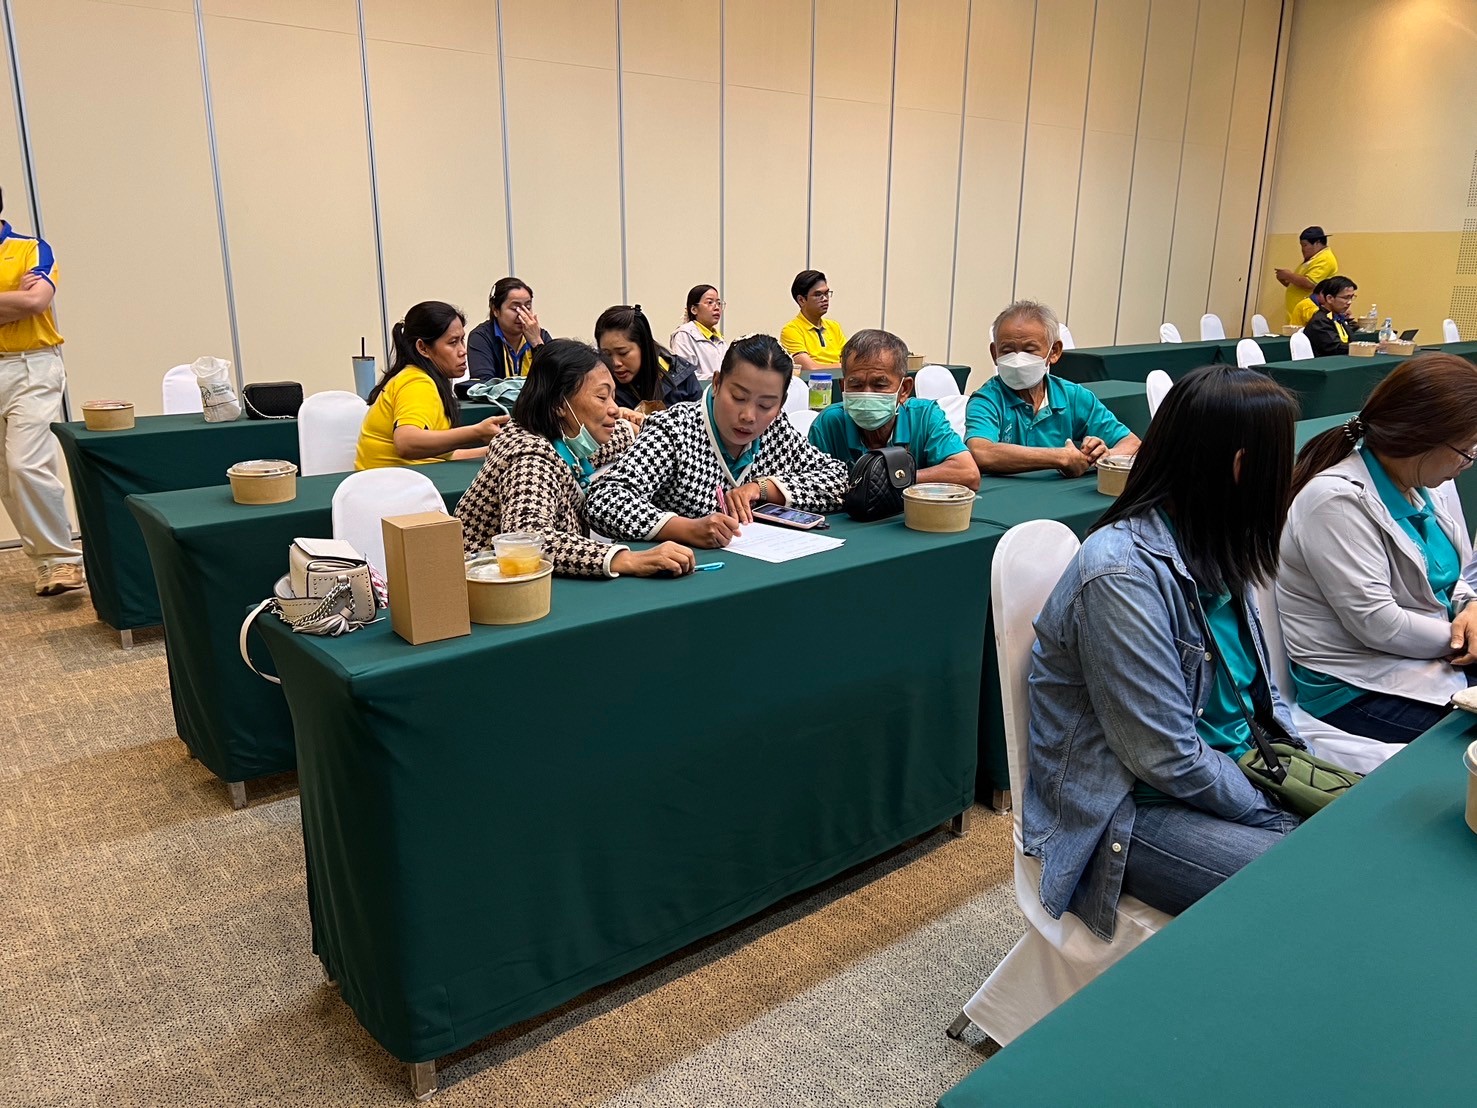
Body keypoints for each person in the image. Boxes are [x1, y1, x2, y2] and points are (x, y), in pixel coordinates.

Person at [1025, 364, 1304, 935]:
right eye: (1282, 466)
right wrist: (1272, 809)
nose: (1288, 482)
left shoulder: (1219, 542)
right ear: (1240, 468)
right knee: (1317, 877)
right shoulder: (1121, 574)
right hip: (1132, 808)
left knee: (1353, 837)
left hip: (1229, 771)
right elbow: (1164, 757)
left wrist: (1296, 771)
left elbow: (1261, 694)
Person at [1277, 354, 1477, 744]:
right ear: (1421, 437)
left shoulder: (1416, 487)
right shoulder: (1334, 501)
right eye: (1466, 450)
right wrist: (1463, 637)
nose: (1468, 463)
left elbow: (1451, 581)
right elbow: (1379, 624)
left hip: (1422, 658)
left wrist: (1471, 608)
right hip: (1355, 688)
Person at [456, 339, 696, 579]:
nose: (615, 409)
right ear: (560, 404)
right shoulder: (529, 459)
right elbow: (528, 539)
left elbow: (616, 438)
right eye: (602, 397)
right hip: (484, 585)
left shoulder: (562, 437)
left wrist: (637, 427)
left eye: (613, 397)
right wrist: (626, 559)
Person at [585, 334, 850, 548]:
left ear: (781, 404)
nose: (748, 416)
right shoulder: (674, 430)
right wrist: (686, 529)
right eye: (738, 397)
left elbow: (838, 479)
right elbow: (603, 501)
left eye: (766, 405)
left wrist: (762, 488)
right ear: (717, 382)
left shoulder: (775, 430)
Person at [0, 190, 85, 596]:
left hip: (30, 366)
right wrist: (10, 301)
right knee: (5, 476)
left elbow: (36, 301)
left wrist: (23, 301)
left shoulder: (29, 249)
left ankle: (64, 559)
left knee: (25, 464)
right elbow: (21, 302)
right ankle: (47, 564)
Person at [965, 300, 1140, 476]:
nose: (1017, 359)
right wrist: (1061, 457)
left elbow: (1133, 445)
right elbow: (981, 452)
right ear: (994, 353)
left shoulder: (1073, 396)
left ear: (1054, 351)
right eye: (1007, 351)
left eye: (1029, 350)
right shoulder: (987, 400)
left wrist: (1102, 456)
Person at [807, 328, 979, 491]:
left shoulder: (924, 417)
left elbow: (968, 473)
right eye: (856, 384)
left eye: (879, 385)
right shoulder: (829, 423)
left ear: (904, 389)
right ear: (843, 386)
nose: (867, 394)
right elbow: (809, 485)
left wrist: (894, 478)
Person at [355, 301, 506, 470]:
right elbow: (406, 443)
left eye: (462, 340)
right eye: (453, 342)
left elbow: (444, 456)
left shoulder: (420, 378)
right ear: (423, 348)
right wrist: (476, 432)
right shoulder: (417, 382)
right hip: (386, 483)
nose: (463, 351)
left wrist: (502, 450)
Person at [595, 304, 702, 415]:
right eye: (606, 354)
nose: (615, 363)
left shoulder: (680, 374)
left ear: (644, 347)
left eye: (623, 353)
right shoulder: (602, 389)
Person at [467, 277, 552, 380]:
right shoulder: (481, 337)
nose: (522, 314)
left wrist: (536, 343)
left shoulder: (540, 336)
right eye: (515, 308)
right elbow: (484, 384)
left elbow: (555, 379)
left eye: (528, 307)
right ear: (495, 310)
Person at [779, 270, 845, 372]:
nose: (825, 299)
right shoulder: (791, 330)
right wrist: (843, 367)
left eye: (826, 293)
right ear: (801, 300)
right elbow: (809, 368)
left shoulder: (834, 326)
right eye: (818, 294)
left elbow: (850, 361)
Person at [1276, 226, 1338, 324]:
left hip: (1308, 314)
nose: (1302, 249)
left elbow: (1309, 283)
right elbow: (1299, 285)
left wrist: (1288, 275)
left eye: (1304, 245)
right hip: (1298, 313)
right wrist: (1285, 279)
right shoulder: (1312, 259)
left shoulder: (1325, 259)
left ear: (1317, 243)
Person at [669, 284, 728, 382]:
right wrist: (718, 378)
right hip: (699, 392)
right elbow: (685, 376)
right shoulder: (684, 335)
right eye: (710, 302)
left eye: (718, 303)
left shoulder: (720, 340)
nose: (717, 307)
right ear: (694, 309)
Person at [1302, 276, 1358, 357]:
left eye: (1351, 297)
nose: (1349, 302)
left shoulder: (1338, 317)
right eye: (1346, 298)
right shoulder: (1319, 321)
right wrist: (1362, 348)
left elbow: (1351, 340)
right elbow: (1335, 348)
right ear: (1329, 298)